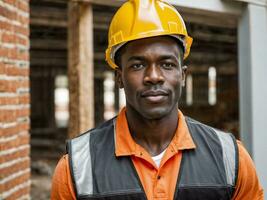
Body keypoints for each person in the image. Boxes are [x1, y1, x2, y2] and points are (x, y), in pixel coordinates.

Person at [51, 0, 264, 199]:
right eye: (137, 65)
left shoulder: (231, 158)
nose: (154, 76)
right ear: (119, 78)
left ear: (182, 75)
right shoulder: (76, 167)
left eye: (167, 64)